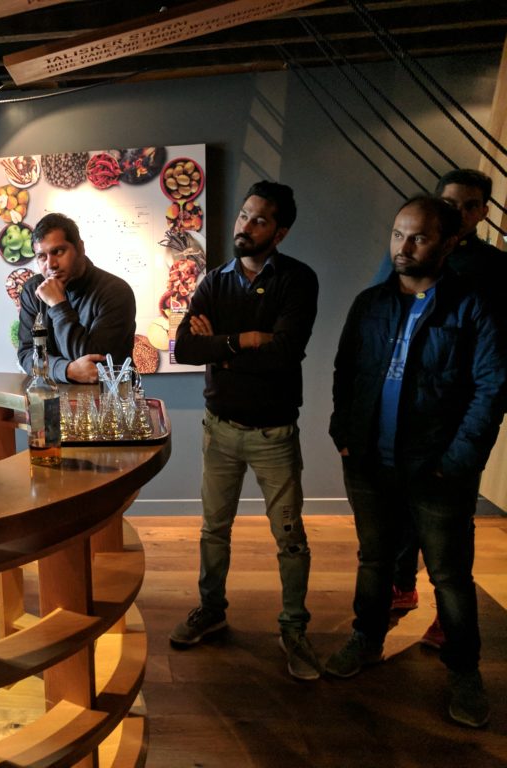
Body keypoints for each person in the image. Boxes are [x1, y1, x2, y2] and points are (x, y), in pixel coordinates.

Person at [326, 195, 506, 728]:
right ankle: (366, 639)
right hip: (369, 462)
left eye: (419, 237)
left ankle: (464, 671)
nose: (403, 247)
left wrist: (458, 460)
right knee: (375, 559)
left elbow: (492, 388)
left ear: (449, 244)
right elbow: (345, 371)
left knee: (450, 577)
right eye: (398, 234)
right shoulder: (369, 304)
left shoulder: (473, 307)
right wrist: (343, 433)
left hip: (438, 468)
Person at [169, 181, 322, 681]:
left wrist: (223, 345)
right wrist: (247, 338)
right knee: (214, 529)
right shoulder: (215, 280)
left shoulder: (298, 280)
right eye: (242, 215)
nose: (245, 226)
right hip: (220, 428)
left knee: (290, 537)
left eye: (259, 220)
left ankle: (293, 627)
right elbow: (183, 351)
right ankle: (211, 610)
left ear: (280, 232)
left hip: (274, 432)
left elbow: (285, 354)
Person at [380, 170, 507, 648]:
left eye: (468, 205)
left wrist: (465, 448)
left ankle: (450, 627)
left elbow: (495, 369)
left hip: (455, 423)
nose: (456, 211)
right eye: (448, 201)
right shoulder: (404, 260)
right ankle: (402, 586)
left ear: (482, 213)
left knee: (450, 527)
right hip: (403, 418)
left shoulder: (494, 270)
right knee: (399, 514)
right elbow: (380, 316)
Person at [16, 213, 136, 384]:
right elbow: (27, 353)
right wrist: (66, 370)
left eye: (58, 251)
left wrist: (58, 305)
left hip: (110, 400)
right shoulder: (32, 291)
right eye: (42, 256)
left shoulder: (116, 291)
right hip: (53, 397)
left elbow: (95, 368)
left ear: (80, 248)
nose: (50, 265)